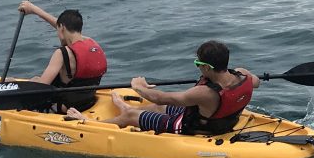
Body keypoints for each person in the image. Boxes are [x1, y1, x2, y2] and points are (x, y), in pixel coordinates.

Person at [67, 40, 260, 135]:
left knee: (132, 117)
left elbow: (161, 97)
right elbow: (256, 81)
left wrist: (139, 87)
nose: (198, 68)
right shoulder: (244, 76)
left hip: (194, 129)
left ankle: (89, 122)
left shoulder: (204, 93)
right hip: (220, 120)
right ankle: (127, 111)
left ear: (207, 67)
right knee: (159, 109)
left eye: (197, 64)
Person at [18, 0, 108, 112]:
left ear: (61, 28)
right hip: (87, 102)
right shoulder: (94, 44)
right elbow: (63, 26)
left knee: (31, 83)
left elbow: (39, 90)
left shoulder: (62, 54)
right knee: (35, 80)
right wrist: (34, 10)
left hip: (62, 107)